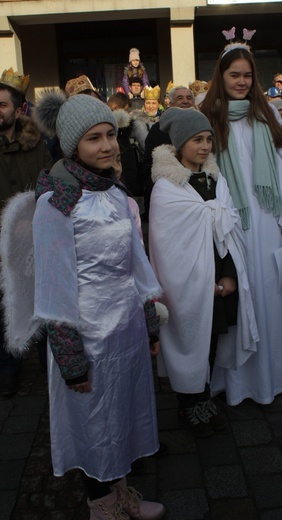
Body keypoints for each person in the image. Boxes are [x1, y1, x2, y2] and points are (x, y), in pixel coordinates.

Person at [30, 91, 165, 520]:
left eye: (111, 134)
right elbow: (53, 287)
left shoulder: (114, 190)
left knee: (122, 413)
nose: (107, 145)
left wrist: (149, 324)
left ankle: (122, 490)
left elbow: (137, 265)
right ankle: (101, 505)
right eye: (94, 138)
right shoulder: (57, 202)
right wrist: (72, 361)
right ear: (73, 146)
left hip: (125, 329)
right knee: (94, 423)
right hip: (87, 337)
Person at [201, 32, 282, 406]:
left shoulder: (268, 113)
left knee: (269, 295)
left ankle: (271, 376)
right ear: (221, 77)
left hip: (266, 217)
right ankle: (236, 384)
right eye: (233, 75)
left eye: (246, 75)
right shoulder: (208, 114)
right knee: (237, 296)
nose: (241, 82)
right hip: (229, 218)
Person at [149, 107, 258, 437]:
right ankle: (188, 405)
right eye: (197, 139)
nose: (205, 146)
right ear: (180, 144)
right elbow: (168, 248)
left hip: (219, 275)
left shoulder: (216, 180)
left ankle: (203, 398)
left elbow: (228, 231)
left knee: (211, 338)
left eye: (209, 139)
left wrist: (228, 275)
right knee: (190, 337)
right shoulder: (166, 189)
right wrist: (200, 282)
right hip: (190, 283)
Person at [0, 67, 53, 397]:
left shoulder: (38, 145)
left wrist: (32, 218)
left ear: (18, 109)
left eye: (2, 105)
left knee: (43, 300)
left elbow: (48, 185)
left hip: (36, 240)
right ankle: (9, 370)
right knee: (5, 304)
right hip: (1, 244)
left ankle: (53, 365)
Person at [141, 86, 195, 218]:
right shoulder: (158, 129)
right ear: (170, 104)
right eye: (180, 98)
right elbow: (149, 164)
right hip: (169, 195)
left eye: (189, 98)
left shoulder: (201, 127)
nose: (185, 101)